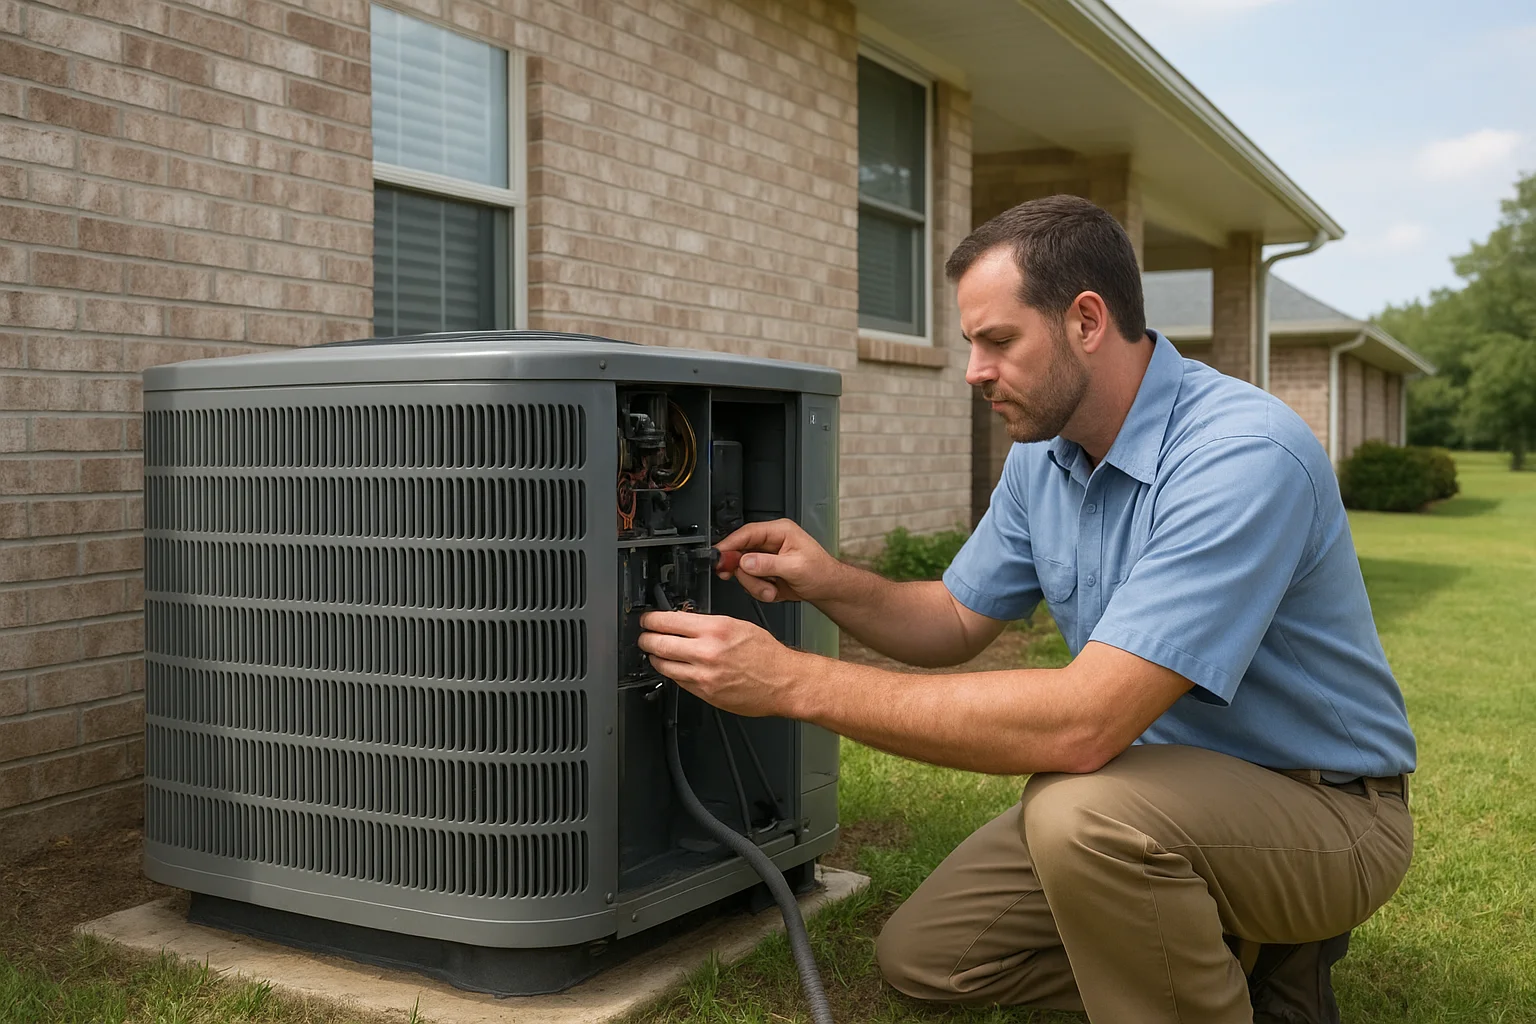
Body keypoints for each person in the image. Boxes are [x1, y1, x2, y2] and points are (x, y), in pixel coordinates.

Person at [637, 195, 1415, 1024]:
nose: (974, 369)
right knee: (930, 960)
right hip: (1151, 793)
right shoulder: (1045, 459)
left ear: (1086, 320)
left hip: (1325, 810)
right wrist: (829, 580)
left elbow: (1083, 726)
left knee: (1077, 813)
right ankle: (1245, 961)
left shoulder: (1239, 455)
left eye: (998, 341)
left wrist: (791, 683)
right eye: (972, 343)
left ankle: (1237, 969)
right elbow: (952, 620)